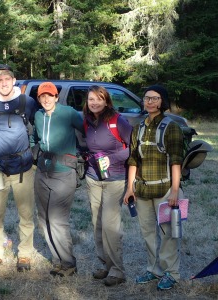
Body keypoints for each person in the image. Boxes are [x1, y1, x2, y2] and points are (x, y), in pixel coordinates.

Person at [123, 85, 184, 290]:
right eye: (147, 98)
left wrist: (175, 191)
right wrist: (130, 188)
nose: (149, 101)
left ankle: (171, 273)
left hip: (165, 189)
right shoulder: (138, 127)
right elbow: (133, 160)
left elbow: (176, 161)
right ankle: (154, 269)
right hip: (142, 190)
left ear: (162, 102)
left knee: (168, 233)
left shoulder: (171, 127)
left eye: (155, 98)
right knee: (148, 232)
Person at [0, 64, 37, 272]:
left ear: (14, 81)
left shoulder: (26, 102)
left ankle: (25, 255)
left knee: (26, 214)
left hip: (23, 169)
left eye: (7, 79)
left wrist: (35, 152)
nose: (4, 83)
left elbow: (36, 126)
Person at [32, 82, 84, 277]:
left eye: (50, 96)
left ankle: (69, 263)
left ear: (56, 97)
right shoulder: (38, 115)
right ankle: (58, 261)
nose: (46, 99)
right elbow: (35, 138)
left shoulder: (68, 113)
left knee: (57, 219)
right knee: (44, 219)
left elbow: (86, 131)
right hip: (43, 172)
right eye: (42, 96)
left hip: (64, 172)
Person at [82, 85, 132, 286]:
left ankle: (117, 271)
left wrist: (112, 158)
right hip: (93, 177)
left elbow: (134, 148)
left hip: (115, 179)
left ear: (106, 101)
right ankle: (105, 265)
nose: (94, 102)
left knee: (110, 225)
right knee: (98, 224)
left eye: (98, 99)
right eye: (91, 99)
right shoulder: (87, 121)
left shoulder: (118, 121)